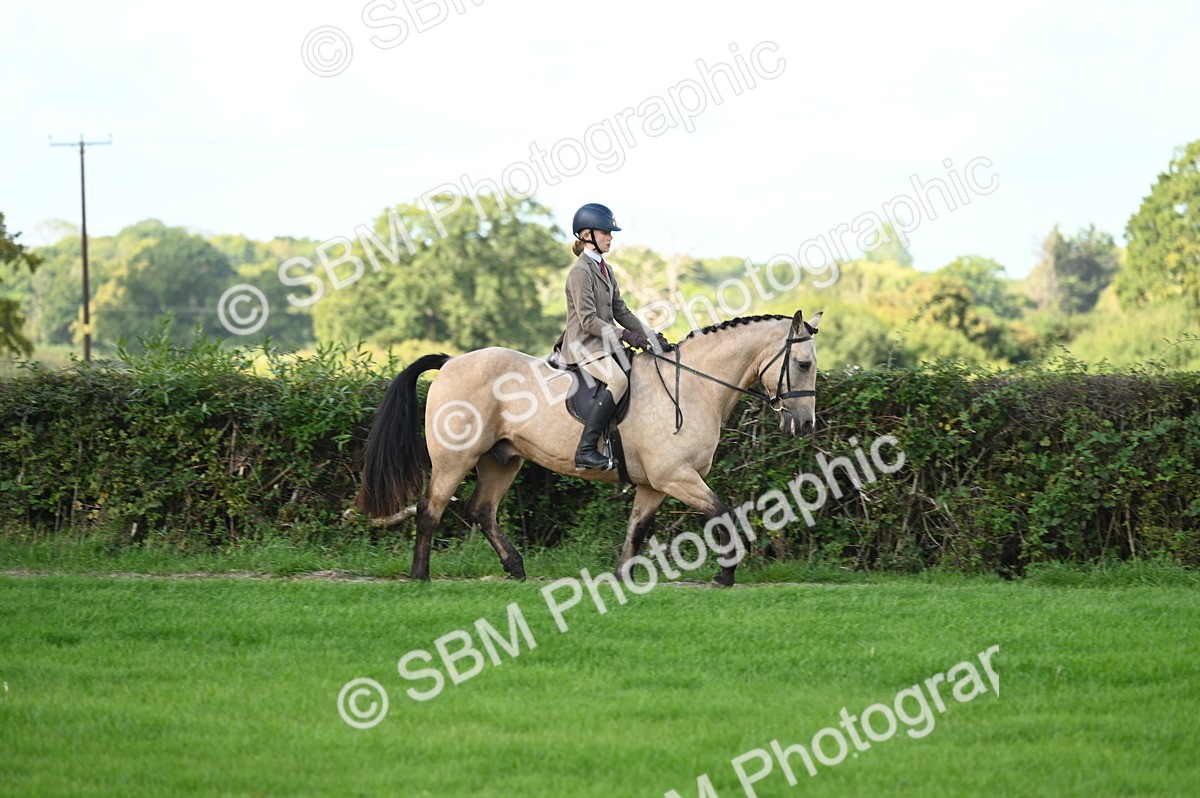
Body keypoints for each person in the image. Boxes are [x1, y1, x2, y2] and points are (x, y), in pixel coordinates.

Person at [557, 203, 665, 471]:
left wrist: (649, 336)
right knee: (618, 381)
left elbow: (621, 311)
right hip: (584, 346)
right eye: (605, 232)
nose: (610, 237)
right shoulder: (580, 272)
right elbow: (588, 321)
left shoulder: (606, 269)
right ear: (587, 235)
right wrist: (625, 335)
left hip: (605, 344)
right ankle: (585, 449)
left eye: (610, 233)